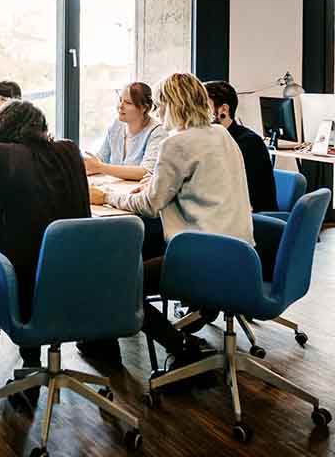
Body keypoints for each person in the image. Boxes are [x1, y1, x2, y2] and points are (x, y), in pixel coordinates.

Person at [89, 73, 253, 371]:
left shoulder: (176, 143)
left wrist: (106, 197)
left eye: (162, 104)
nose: (158, 111)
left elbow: (150, 206)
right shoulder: (221, 134)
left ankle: (181, 346)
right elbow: (199, 185)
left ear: (173, 105)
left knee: (120, 282)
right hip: (240, 253)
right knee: (139, 259)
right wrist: (154, 182)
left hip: (202, 256)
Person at [0, 99, 90, 375]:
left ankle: (5, 343)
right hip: (77, 277)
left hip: (22, 281)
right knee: (29, 247)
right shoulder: (71, 150)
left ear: (0, 127)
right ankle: (26, 358)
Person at [205, 80, 279, 213]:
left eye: (204, 107)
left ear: (224, 110)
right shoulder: (214, 139)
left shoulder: (248, 143)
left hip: (255, 220)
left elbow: (237, 194)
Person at [83, 82, 168, 181]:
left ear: (144, 108)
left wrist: (100, 167)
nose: (120, 106)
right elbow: (100, 159)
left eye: (128, 103)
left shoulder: (157, 133)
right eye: (120, 100)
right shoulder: (117, 125)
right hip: (114, 190)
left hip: (135, 193)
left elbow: (146, 172)